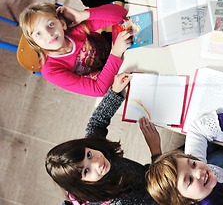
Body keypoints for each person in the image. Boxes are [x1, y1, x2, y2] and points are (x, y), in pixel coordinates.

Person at [46, 73, 161, 204]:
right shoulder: (117, 201)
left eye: (89, 155)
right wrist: (156, 152)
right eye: (86, 171)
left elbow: (97, 122)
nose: (97, 163)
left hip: (149, 175)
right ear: (82, 184)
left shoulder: (93, 147)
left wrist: (115, 92)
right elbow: (159, 195)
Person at [19, 2, 131, 96]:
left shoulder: (74, 29)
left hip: (119, 48)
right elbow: (99, 90)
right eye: (38, 33)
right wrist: (116, 53)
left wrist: (83, 14)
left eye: (51, 24)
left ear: (62, 23)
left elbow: (121, 13)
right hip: (111, 78)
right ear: (35, 43)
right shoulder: (51, 71)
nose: (48, 34)